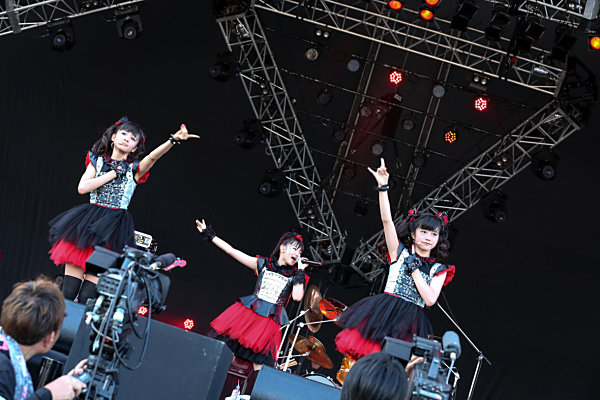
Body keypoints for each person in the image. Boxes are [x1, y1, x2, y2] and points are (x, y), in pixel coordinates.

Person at [48, 117, 199, 305]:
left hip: (112, 230)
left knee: (88, 297)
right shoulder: (97, 161)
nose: (127, 138)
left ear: (134, 148)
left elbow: (153, 157)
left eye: (133, 138)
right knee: (68, 291)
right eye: (124, 134)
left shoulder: (134, 169)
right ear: (113, 137)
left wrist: (173, 140)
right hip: (87, 225)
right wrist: (113, 173)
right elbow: (82, 188)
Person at [335, 158, 456, 360]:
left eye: (434, 234)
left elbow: (429, 299)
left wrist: (415, 270)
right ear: (413, 234)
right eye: (424, 232)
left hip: (411, 322)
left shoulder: (439, 269)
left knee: (395, 365)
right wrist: (383, 187)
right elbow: (387, 221)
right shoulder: (399, 252)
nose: (428, 237)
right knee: (370, 359)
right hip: (385, 311)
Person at [195, 219, 309, 370]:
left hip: (267, 324)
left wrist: (300, 270)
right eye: (295, 249)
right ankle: (198, 371)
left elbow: (297, 297)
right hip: (246, 315)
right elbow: (232, 251)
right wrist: (209, 234)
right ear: (282, 248)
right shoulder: (263, 264)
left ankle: (257, 387)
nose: (298, 254)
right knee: (219, 346)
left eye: (300, 252)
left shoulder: (296, 275)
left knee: (260, 364)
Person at [0, 277, 87, 400]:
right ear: (49, 338)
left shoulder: (9, 363)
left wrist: (66, 383)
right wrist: (48, 394)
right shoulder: (4, 369)